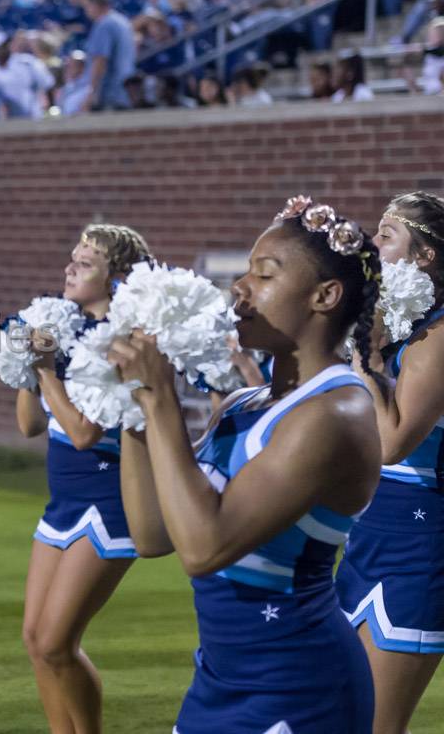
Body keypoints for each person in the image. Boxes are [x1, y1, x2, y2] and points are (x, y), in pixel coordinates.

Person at [111, 196, 382, 732]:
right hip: (220, 679)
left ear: (325, 296)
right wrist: (133, 402)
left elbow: (205, 548)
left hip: (297, 687)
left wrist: (164, 397)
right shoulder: (242, 404)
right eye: (244, 273)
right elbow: (153, 535)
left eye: (264, 275)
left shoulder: (337, 410)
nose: (240, 288)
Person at [17, 224, 153, 732]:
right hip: (64, 501)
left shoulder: (124, 345)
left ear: (116, 280)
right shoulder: (67, 330)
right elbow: (31, 425)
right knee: (35, 640)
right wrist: (27, 368)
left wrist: (47, 369)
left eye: (86, 262)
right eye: (71, 257)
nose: (70, 267)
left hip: (108, 501)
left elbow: (82, 434)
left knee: (57, 642)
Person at [336, 191, 444, 734]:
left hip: (417, 545)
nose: (372, 244)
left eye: (386, 235)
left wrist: (369, 359)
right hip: (366, 534)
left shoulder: (440, 335)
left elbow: (393, 442)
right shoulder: (401, 326)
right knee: (339, 714)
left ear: (423, 256)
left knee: (379, 726)